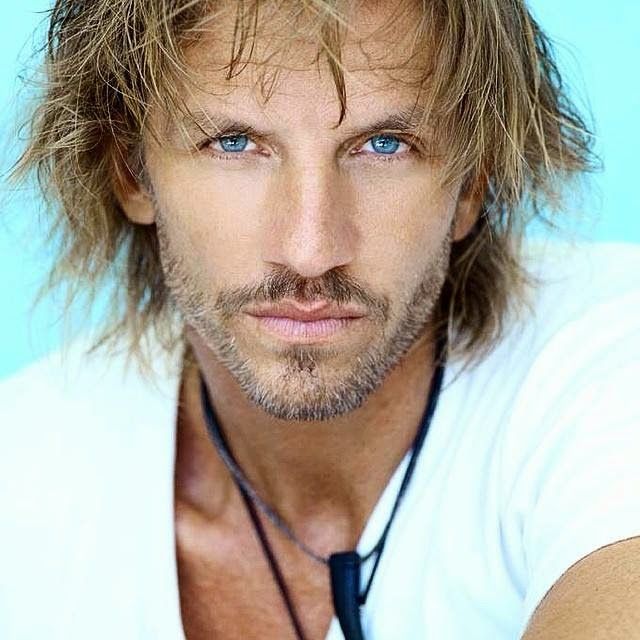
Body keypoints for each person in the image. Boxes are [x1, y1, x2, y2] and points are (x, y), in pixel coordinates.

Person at [1, 0, 639, 638]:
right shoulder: (26, 477)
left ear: (471, 183)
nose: (311, 251)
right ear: (132, 173)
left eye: (382, 146)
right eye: (235, 142)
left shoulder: (608, 356)